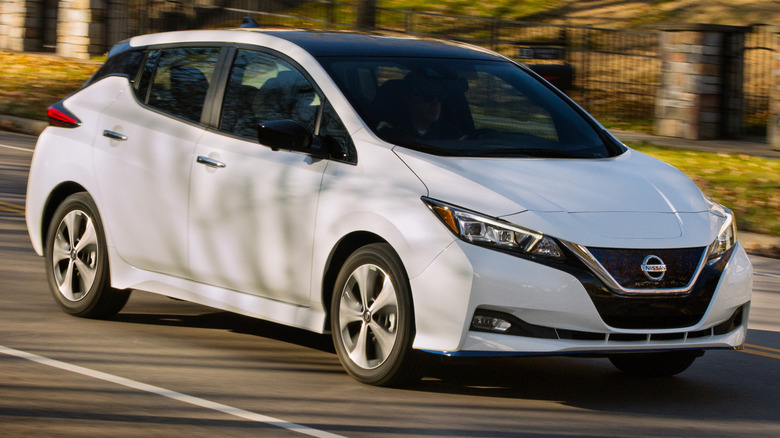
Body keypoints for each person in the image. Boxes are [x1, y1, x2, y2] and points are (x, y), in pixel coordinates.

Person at [377, 71, 446, 141]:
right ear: (408, 99)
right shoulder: (386, 138)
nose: (436, 102)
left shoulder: (450, 135)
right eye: (428, 97)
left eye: (439, 97)